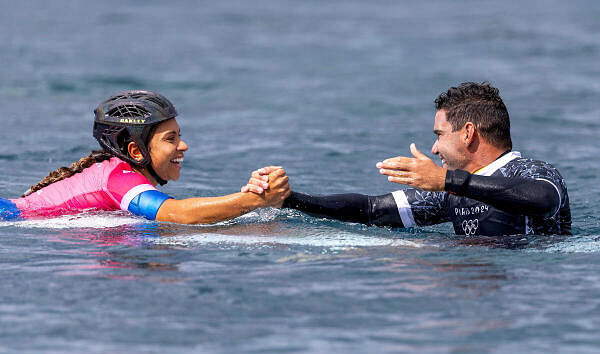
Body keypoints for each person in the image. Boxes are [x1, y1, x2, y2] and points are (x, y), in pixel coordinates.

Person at [244, 82, 571, 236]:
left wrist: (446, 180)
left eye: (439, 135)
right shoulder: (452, 195)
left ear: (468, 133)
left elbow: (544, 199)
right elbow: (371, 210)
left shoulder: (530, 171)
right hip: (474, 291)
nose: (434, 149)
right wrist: (288, 200)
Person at [0, 90, 290, 223]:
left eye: (179, 135)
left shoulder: (117, 173)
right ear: (136, 152)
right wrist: (254, 200)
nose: (183, 146)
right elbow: (178, 214)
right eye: (171, 139)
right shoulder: (120, 179)